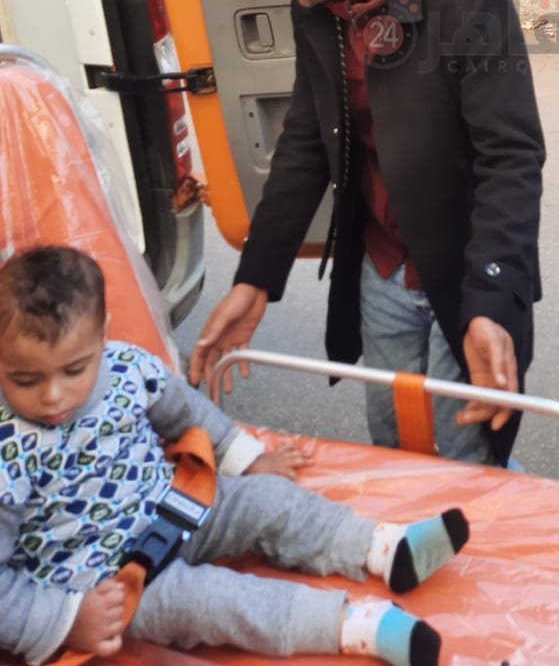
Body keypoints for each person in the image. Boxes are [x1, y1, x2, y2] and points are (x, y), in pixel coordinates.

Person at [189, 0, 545, 467]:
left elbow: (511, 158)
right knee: (395, 439)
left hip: (465, 264)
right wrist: (256, 277)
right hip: (381, 267)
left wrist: (491, 294)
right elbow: (304, 144)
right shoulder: (315, 12)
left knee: (467, 451)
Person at [0, 246, 469, 666]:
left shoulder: (128, 368)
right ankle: (358, 626)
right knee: (216, 602)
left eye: (74, 370)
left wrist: (245, 459)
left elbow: (187, 412)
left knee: (267, 499)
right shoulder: (8, 449)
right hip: (108, 583)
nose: (53, 395)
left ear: (102, 335)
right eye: (25, 380)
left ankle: (384, 548)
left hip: (174, 506)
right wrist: (67, 620)